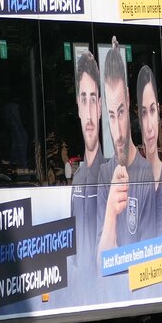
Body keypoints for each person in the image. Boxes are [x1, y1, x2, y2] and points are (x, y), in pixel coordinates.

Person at [100, 38, 154, 254]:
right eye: (111, 116)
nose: (119, 133)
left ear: (129, 99)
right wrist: (111, 213)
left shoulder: (148, 174)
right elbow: (99, 264)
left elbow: (151, 255)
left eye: (121, 112)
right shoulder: (103, 176)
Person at [70, 51, 109, 274]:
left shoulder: (109, 175)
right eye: (83, 99)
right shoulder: (76, 181)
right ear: (78, 107)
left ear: (101, 106)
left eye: (93, 99)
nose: (89, 112)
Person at [136, 65, 162, 240]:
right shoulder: (133, 182)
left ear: (159, 112)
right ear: (139, 118)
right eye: (144, 113)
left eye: (152, 110)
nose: (149, 127)